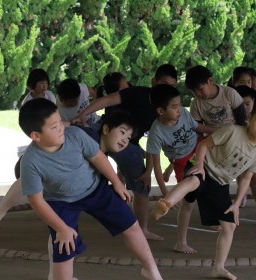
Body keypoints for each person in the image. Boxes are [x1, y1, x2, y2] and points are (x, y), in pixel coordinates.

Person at [18, 99, 170, 280]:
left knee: (131, 224)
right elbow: (37, 202)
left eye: (60, 121)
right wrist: (61, 228)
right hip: (60, 202)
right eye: (54, 127)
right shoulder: (31, 161)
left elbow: (97, 157)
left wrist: (115, 182)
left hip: (95, 189)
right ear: (36, 136)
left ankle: (151, 269)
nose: (62, 128)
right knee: (64, 249)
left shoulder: (75, 135)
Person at [0, 110, 138, 280]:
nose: (125, 140)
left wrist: (117, 182)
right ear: (107, 129)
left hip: (57, 181)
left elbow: (100, 162)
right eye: (122, 133)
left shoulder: (96, 149)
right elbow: (64, 127)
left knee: (59, 224)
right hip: (38, 168)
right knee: (30, 207)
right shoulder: (84, 135)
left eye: (128, 137)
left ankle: (54, 273)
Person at [151, 99, 256, 280]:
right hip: (203, 167)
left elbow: (246, 177)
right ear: (250, 117)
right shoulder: (232, 131)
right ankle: (166, 203)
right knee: (194, 183)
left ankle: (219, 267)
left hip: (220, 183)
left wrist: (237, 203)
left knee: (229, 226)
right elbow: (203, 145)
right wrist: (198, 165)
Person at [72, 64, 178, 241]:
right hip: (104, 131)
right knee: (78, 151)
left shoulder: (164, 110)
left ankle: (142, 229)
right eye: (164, 83)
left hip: (129, 145)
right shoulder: (138, 92)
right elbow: (106, 100)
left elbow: (154, 144)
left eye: (172, 86)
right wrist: (83, 114)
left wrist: (148, 172)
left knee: (142, 187)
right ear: (154, 82)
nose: (167, 89)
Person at [186, 65, 256, 227]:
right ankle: (215, 216)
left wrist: (239, 138)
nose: (197, 94)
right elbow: (197, 127)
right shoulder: (196, 104)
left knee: (252, 176)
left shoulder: (229, 94)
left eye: (199, 89)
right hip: (216, 144)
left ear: (210, 81)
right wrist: (218, 131)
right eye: (193, 92)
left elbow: (241, 119)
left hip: (237, 137)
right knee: (215, 180)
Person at [147, 84, 212, 254]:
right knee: (188, 203)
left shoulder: (183, 113)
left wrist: (219, 131)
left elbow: (198, 128)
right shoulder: (156, 133)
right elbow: (155, 164)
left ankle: (213, 217)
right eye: (174, 107)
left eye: (180, 104)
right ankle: (180, 242)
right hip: (181, 160)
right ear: (161, 111)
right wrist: (163, 191)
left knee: (214, 180)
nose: (180, 109)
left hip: (199, 146)